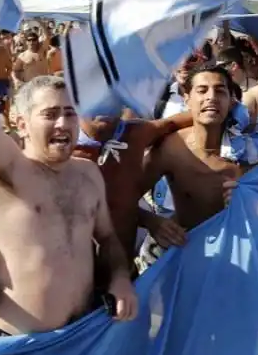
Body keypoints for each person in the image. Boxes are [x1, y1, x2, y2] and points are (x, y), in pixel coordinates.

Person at [0, 0, 138, 335]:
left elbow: (109, 241)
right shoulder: (7, 171)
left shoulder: (88, 175)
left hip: (83, 337)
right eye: (50, 114)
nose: (64, 124)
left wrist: (120, 277)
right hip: (20, 343)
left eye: (70, 114)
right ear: (20, 123)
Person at [143, 65, 258, 236]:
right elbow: (124, 196)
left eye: (220, 91)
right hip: (189, 250)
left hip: (245, 249)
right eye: (202, 90)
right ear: (187, 99)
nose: (211, 97)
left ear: (231, 102)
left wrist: (257, 202)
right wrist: (151, 221)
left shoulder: (252, 148)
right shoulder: (171, 148)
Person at [72, 110, 192, 263]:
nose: (104, 105)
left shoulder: (134, 134)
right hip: (74, 280)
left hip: (125, 275)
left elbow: (175, 122)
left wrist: (149, 220)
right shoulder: (58, 148)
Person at [215, 46, 258, 120]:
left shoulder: (257, 90)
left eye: (221, 67)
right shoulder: (221, 89)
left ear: (234, 66)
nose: (218, 71)